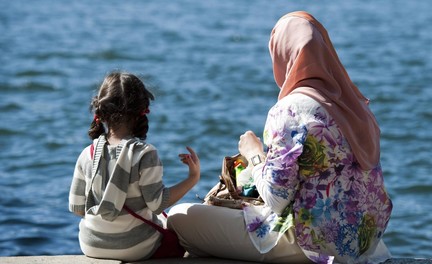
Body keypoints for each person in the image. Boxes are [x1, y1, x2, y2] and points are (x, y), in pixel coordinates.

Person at [167, 11, 393, 264]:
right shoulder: (356, 106)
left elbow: (276, 199)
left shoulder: (290, 109)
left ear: (283, 55)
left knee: (179, 216)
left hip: (309, 244)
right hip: (362, 241)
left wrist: (254, 153)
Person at [68, 72, 200, 262]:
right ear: (142, 111)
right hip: (136, 248)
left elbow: (77, 208)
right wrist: (192, 178)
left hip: (91, 245)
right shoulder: (145, 154)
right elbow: (157, 204)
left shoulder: (86, 154)